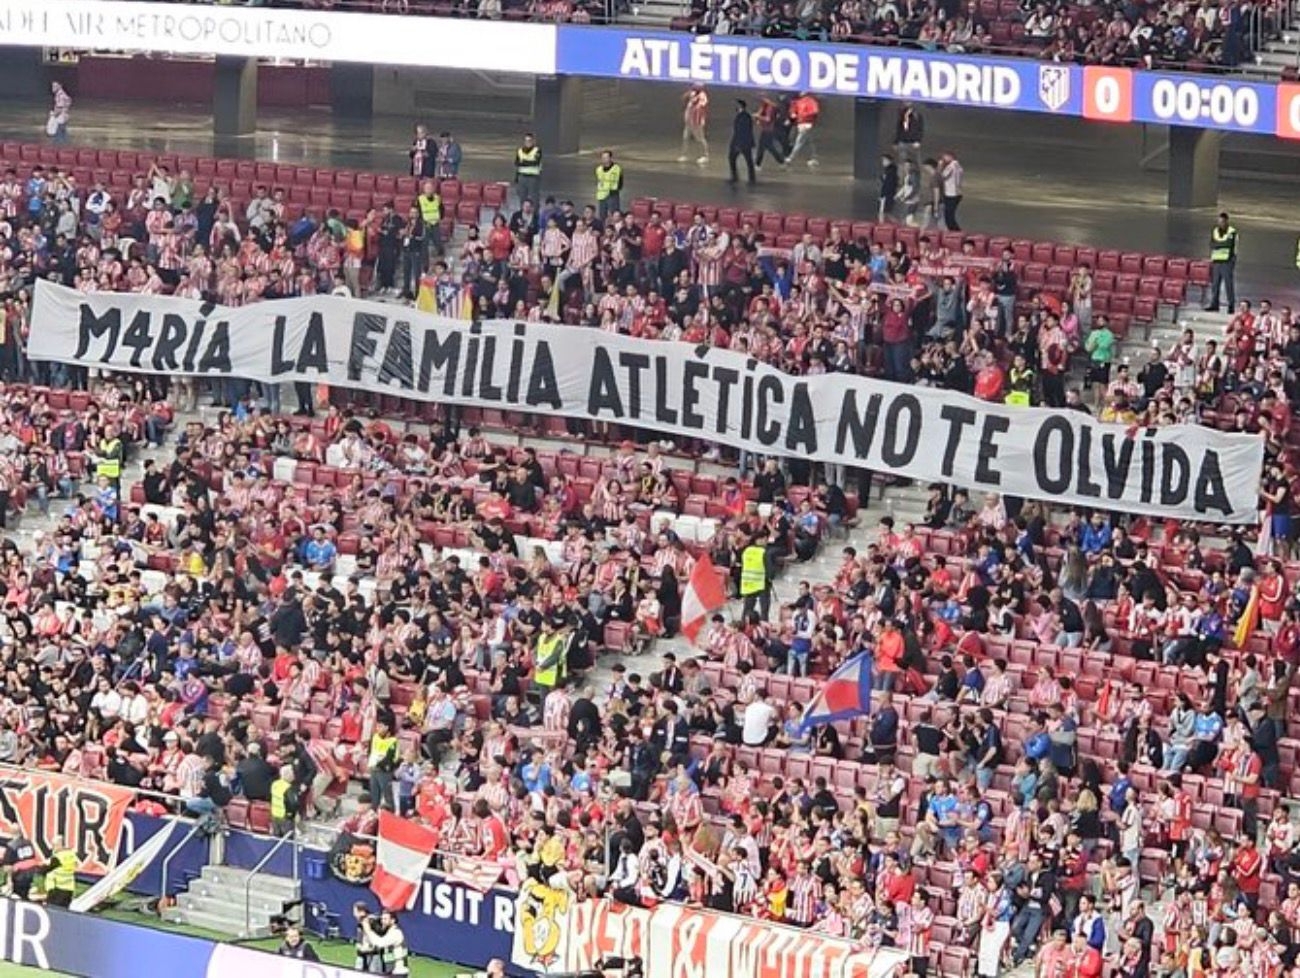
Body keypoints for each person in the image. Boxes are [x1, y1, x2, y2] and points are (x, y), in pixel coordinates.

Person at [1206, 211, 1238, 311]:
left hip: (1227, 261)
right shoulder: (1215, 231)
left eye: (1222, 221)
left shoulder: (1232, 232)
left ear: (1226, 221)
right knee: (1215, 284)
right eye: (1219, 221)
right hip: (1216, 261)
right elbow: (1211, 244)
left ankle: (1231, 304)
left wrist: (1218, 245)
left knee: (1228, 284)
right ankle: (1214, 304)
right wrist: (1220, 244)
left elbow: (1229, 244)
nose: (1221, 223)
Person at [739, 533, 773, 622]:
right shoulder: (764, 552)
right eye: (764, 539)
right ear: (758, 540)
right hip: (762, 583)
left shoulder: (746, 551)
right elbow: (770, 569)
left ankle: (744, 625)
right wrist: (771, 577)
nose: (766, 541)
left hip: (748, 583)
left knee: (747, 609)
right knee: (764, 610)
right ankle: (764, 627)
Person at [786, 92, 820, 167]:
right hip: (801, 123)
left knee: (799, 141)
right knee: (809, 142)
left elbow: (815, 111)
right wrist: (793, 113)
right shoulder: (799, 101)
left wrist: (803, 115)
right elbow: (793, 109)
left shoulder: (811, 101)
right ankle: (814, 158)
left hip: (807, 124)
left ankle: (791, 158)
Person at [42, 836, 76, 908]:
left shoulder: (57, 858)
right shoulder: (71, 855)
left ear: (60, 845)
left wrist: (45, 863)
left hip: (56, 890)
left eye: (54, 845)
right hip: (69, 889)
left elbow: (43, 871)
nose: (52, 847)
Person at [728, 100, 756, 186]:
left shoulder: (744, 117)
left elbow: (743, 131)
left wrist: (738, 144)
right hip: (742, 142)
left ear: (741, 106)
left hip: (742, 143)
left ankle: (737, 177)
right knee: (746, 160)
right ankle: (750, 178)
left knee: (735, 158)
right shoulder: (743, 116)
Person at [680, 85, 710, 165]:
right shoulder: (692, 93)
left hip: (697, 121)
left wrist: (696, 103)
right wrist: (687, 95)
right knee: (685, 137)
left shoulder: (702, 96)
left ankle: (705, 156)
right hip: (689, 121)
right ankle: (684, 154)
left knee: (700, 138)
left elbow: (701, 105)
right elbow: (684, 97)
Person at [269, 763, 299, 837]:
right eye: (292, 773)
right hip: (285, 818)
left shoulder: (274, 784)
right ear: (287, 775)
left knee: (276, 839)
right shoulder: (288, 788)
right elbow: (293, 804)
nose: (293, 776)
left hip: (275, 815)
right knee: (287, 840)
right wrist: (293, 815)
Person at [514, 133, 542, 209]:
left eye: (529, 141)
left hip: (533, 177)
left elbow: (535, 163)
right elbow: (517, 163)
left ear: (533, 141)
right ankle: (523, 214)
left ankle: (535, 215)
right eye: (526, 141)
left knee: (534, 198)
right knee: (522, 198)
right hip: (522, 176)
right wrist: (516, 177)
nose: (528, 142)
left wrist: (523, 162)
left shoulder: (537, 150)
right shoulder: (520, 151)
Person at [894, 103, 924, 170]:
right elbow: (899, 129)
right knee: (902, 162)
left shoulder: (917, 116)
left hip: (913, 142)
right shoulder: (902, 116)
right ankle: (902, 178)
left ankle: (915, 177)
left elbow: (920, 129)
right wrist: (896, 142)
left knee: (916, 162)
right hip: (903, 141)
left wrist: (918, 140)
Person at [595, 151, 623, 220]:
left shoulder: (616, 168)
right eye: (603, 157)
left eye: (606, 157)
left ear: (610, 158)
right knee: (602, 216)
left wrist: (615, 190)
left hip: (612, 194)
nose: (604, 159)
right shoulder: (598, 169)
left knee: (615, 215)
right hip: (602, 195)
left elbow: (620, 182)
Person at [939, 152, 964, 230]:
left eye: (944, 158)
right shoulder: (959, 167)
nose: (943, 160)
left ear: (950, 157)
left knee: (949, 217)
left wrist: (940, 166)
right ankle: (957, 233)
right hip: (957, 193)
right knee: (950, 216)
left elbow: (942, 176)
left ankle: (956, 233)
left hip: (951, 194)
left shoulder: (950, 167)